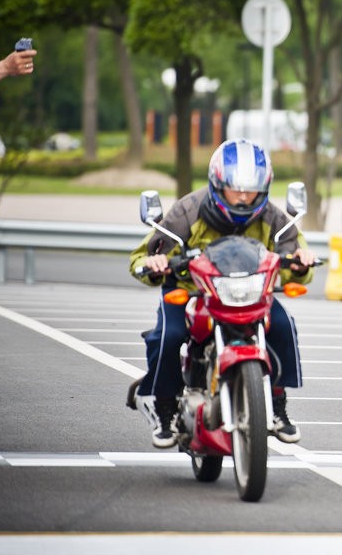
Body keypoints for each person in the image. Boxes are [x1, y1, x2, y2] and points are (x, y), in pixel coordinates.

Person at [129, 138, 316, 448]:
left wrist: (299, 264)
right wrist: (155, 262)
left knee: (282, 325)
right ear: (218, 183)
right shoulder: (188, 210)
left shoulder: (272, 216)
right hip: (192, 291)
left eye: (251, 188)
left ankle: (278, 404)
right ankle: (166, 409)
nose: (243, 196)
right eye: (235, 187)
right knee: (170, 334)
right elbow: (143, 256)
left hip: (250, 294)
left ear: (265, 186)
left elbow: (294, 253)